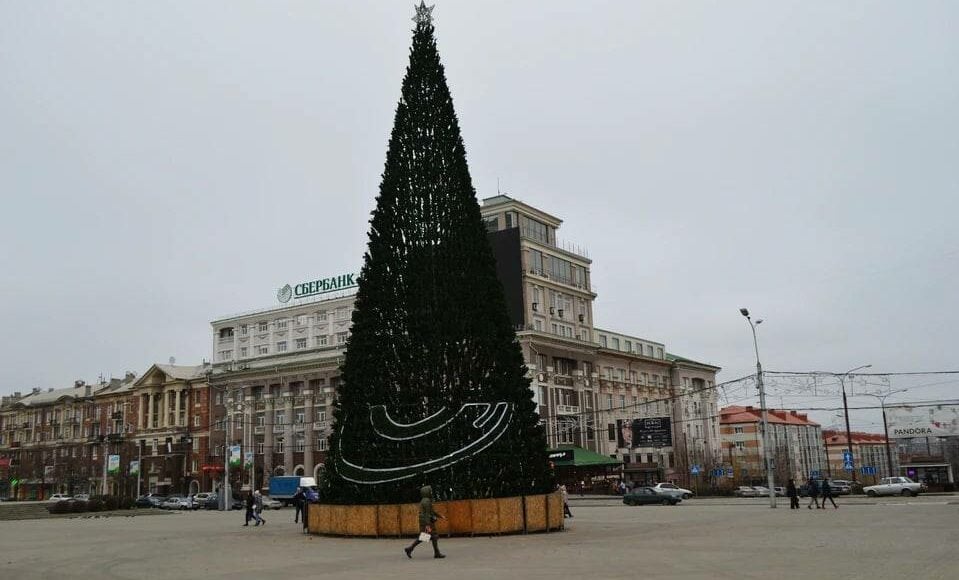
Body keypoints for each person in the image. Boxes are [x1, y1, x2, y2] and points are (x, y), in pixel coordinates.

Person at [404, 485, 445, 559]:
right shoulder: (426, 501)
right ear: (427, 492)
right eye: (430, 491)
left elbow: (431, 511)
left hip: (426, 521)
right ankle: (436, 553)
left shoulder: (425, 500)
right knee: (429, 536)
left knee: (428, 536)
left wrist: (439, 516)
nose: (431, 492)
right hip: (427, 522)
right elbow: (426, 513)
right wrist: (427, 525)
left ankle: (410, 549)